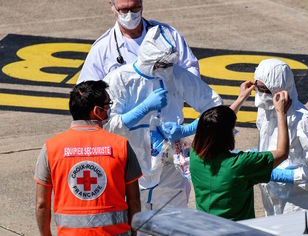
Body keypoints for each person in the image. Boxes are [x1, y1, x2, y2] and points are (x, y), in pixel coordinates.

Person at [104, 25, 222, 210]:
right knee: (130, 225)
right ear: (148, 60)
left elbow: (215, 107)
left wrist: (189, 129)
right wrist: (144, 108)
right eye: (162, 65)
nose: (167, 70)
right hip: (130, 170)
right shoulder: (119, 80)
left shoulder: (177, 75)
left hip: (169, 170)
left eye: (169, 65)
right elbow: (107, 126)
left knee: (174, 222)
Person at [34, 81, 142, 236]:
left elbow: (41, 204)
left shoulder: (51, 148)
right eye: (107, 105)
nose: (109, 109)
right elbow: (134, 201)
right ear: (97, 111)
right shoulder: (121, 146)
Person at [190, 80, 292, 221]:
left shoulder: (195, 153)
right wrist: (281, 113)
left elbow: (214, 127)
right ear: (227, 136)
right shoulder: (240, 165)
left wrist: (241, 98)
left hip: (207, 229)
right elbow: (282, 152)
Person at [254, 58, 308, 216]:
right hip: (272, 204)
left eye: (265, 90)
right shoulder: (265, 114)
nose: (260, 96)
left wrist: (283, 175)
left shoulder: (305, 123)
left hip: (300, 206)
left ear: (280, 88)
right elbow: (268, 146)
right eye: (257, 88)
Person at [77, 0, 199, 84]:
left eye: (135, 8)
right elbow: (86, 92)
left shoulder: (167, 35)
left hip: (166, 118)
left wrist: (179, 91)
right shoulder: (102, 48)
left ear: (141, 3)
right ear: (112, 6)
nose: (130, 14)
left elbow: (190, 67)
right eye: (124, 9)